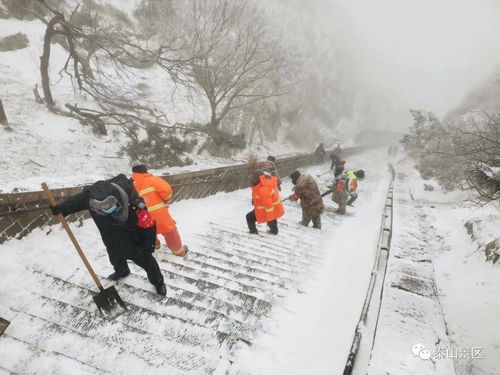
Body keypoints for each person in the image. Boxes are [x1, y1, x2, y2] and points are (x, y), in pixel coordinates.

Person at [50, 174, 166, 295]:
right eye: (99, 206)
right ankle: (122, 271)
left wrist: (147, 246)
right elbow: (76, 202)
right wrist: (62, 208)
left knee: (145, 259)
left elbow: (147, 226)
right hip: (109, 234)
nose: (103, 209)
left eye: (107, 205)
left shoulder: (134, 203)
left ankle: (158, 281)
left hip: (132, 235)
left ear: (116, 199)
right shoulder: (91, 195)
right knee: (115, 255)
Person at [131, 165, 187, 257]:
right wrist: (165, 200)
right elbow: (166, 190)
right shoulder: (152, 179)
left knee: (149, 231)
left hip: (142, 215)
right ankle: (178, 252)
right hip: (158, 213)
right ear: (145, 172)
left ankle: (155, 245)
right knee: (170, 231)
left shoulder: (131, 185)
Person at [246, 170, 284, 235]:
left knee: (249, 217)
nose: (251, 181)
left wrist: (269, 219)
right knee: (273, 216)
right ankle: (274, 231)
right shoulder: (266, 183)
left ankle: (253, 232)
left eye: (252, 179)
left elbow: (269, 206)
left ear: (257, 180)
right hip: (275, 207)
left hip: (266, 209)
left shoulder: (263, 190)